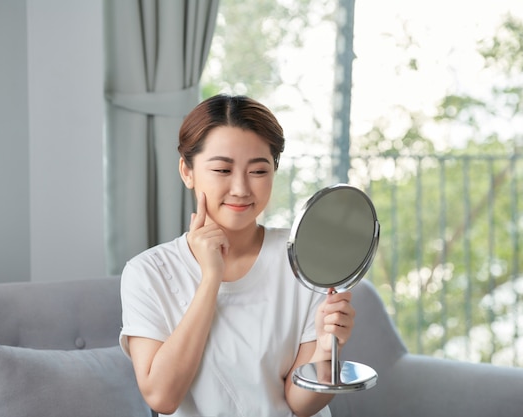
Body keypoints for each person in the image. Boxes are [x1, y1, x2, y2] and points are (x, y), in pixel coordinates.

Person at [119, 94, 355, 417]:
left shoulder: (304, 259)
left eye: (258, 171)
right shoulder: (147, 273)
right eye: (222, 169)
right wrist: (211, 278)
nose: (242, 189)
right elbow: (162, 396)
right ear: (187, 171)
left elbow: (299, 405)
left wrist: (327, 351)